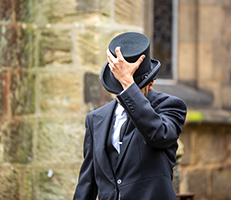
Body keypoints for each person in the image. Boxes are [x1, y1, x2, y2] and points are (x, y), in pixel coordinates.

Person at [73, 32, 187, 200]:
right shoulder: (95, 119)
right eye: (118, 88)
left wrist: (128, 83)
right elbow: (87, 182)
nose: (123, 95)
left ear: (150, 84)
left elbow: (158, 135)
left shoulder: (170, 107)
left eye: (134, 87)